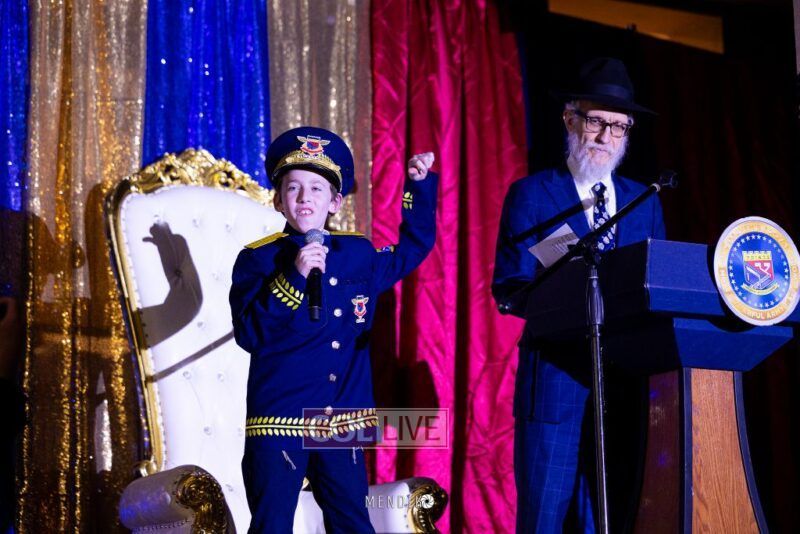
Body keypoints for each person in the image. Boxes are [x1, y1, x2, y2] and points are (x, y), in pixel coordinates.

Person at [229, 126, 438, 533]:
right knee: (271, 525)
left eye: (316, 189)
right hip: (279, 421)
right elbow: (250, 334)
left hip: (341, 422)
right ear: (278, 200)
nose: (304, 198)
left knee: (352, 524)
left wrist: (418, 187)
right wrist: (294, 276)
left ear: (335, 201)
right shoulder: (258, 259)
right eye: (293, 188)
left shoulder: (357, 252)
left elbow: (412, 249)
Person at [492, 58, 666, 533]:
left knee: (616, 519)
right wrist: (568, 280)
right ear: (570, 119)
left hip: (626, 388)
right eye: (596, 121)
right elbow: (511, 285)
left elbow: (658, 287)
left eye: (618, 126)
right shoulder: (533, 194)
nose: (606, 136)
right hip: (556, 382)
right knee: (544, 519)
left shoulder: (644, 200)